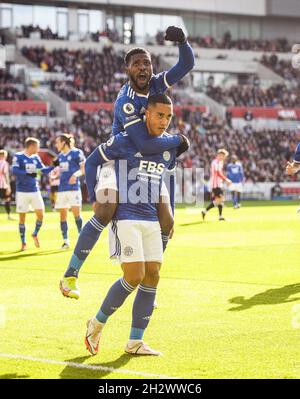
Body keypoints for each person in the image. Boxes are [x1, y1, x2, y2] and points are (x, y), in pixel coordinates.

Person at [61, 26, 194, 298]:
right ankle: (70, 275)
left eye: (147, 62)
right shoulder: (126, 101)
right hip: (120, 158)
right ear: (128, 70)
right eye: (137, 64)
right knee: (106, 208)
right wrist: (177, 139)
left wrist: (183, 41)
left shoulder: (157, 83)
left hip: (149, 159)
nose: (143, 67)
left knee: (167, 222)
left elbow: (187, 64)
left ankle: (148, 278)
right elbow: (143, 143)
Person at [83, 94, 189, 355]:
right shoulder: (127, 140)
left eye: (168, 117)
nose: (164, 121)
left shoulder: (167, 148)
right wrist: (97, 193)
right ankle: (96, 323)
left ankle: (135, 341)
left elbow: (166, 181)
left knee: (153, 274)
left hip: (151, 217)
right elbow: (97, 161)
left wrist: (169, 213)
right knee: (134, 276)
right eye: (159, 115)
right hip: (126, 217)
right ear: (146, 114)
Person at [12, 137, 54, 250]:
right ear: (31, 146)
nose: (39, 148)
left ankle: (35, 233)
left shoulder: (36, 157)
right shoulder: (18, 156)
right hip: (22, 191)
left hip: (35, 190)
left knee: (41, 215)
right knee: (22, 218)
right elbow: (14, 170)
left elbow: (43, 170)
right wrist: (28, 172)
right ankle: (23, 243)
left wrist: (54, 166)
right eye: (37, 146)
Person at [54, 134, 85, 249]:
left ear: (63, 142)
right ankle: (66, 241)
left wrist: (75, 175)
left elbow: (83, 169)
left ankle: (81, 238)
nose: (56, 145)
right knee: (62, 216)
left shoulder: (77, 153)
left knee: (77, 214)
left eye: (57, 142)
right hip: (62, 189)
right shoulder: (60, 156)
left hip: (73, 189)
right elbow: (62, 170)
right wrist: (56, 175)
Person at [201, 149, 232, 221]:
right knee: (220, 200)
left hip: (218, 184)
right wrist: (226, 180)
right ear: (220, 155)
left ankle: (219, 216)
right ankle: (206, 211)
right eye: (224, 156)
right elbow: (218, 173)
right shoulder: (215, 162)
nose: (224, 158)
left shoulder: (220, 162)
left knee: (220, 200)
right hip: (215, 185)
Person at [0, 149, 13, 220]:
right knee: (7, 199)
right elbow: (6, 174)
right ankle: (9, 215)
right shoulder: (5, 163)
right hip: (3, 184)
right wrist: (8, 186)